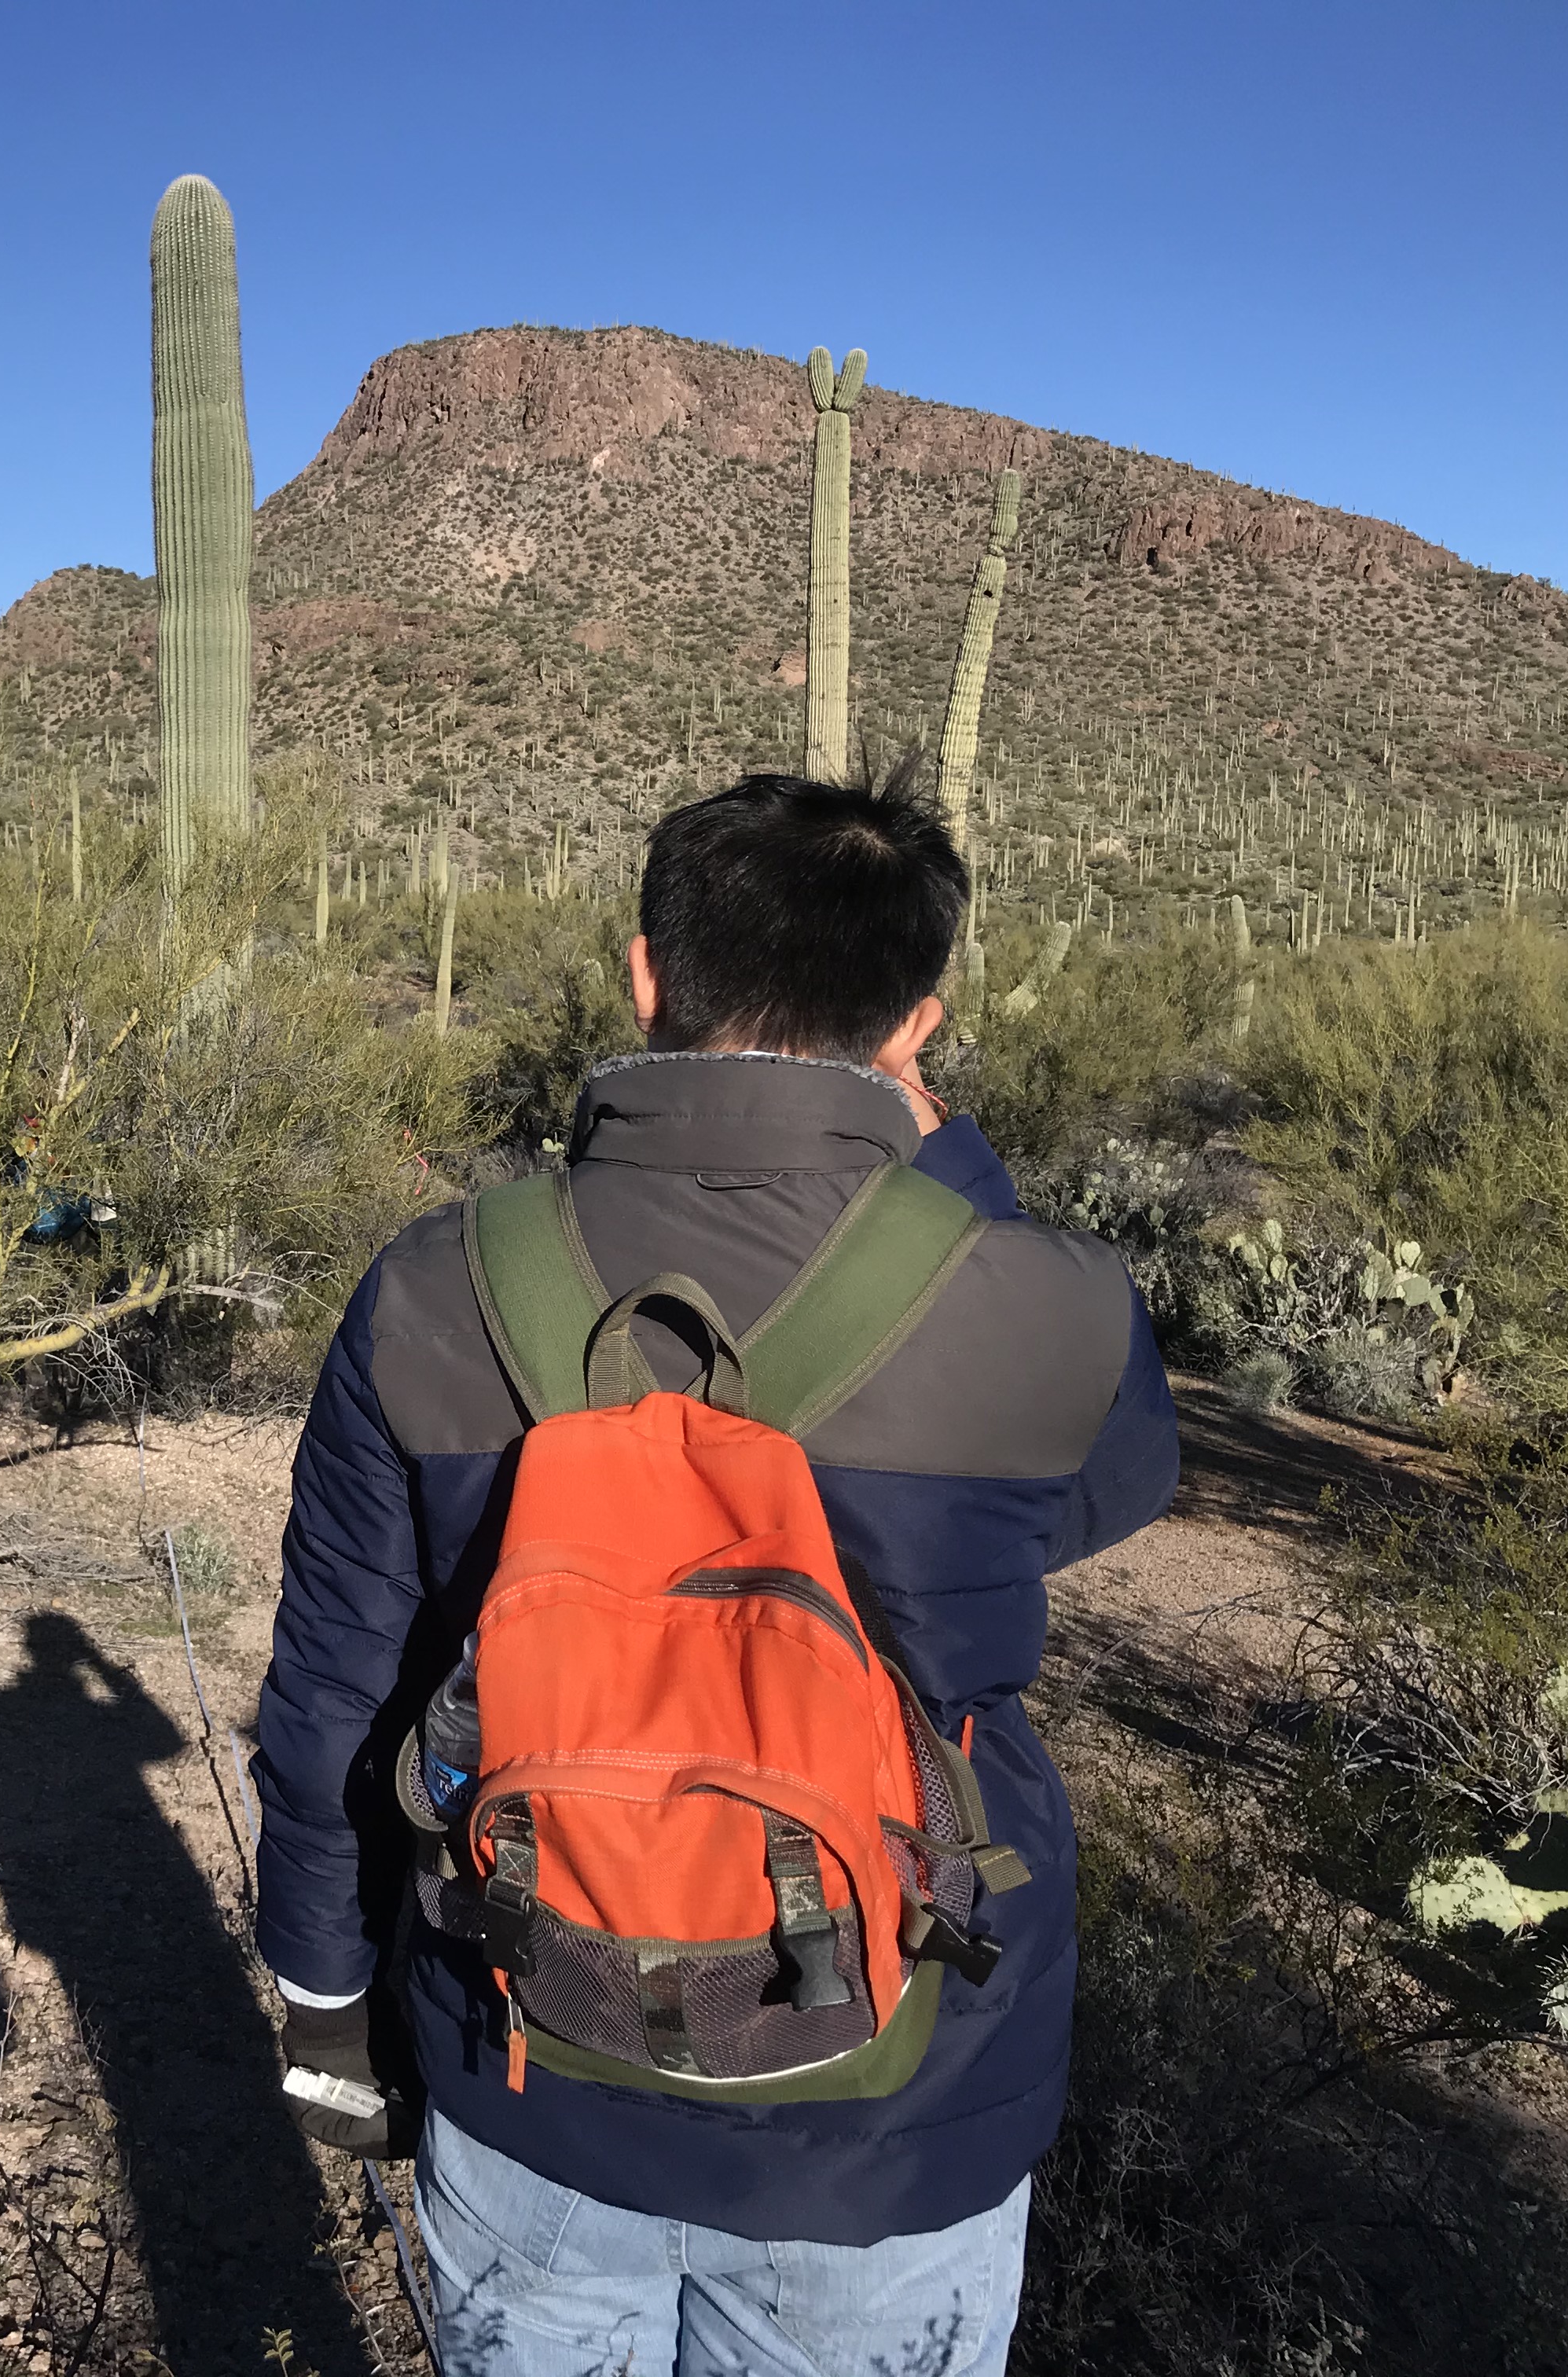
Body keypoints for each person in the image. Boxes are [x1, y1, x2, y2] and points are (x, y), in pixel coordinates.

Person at [252, 773, 1181, 2377]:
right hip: (895, 2112)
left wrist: (327, 2006)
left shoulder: (430, 1289)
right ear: (920, 1023)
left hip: (524, 2038)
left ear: (641, 978)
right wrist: (948, 1180)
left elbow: (338, 1692)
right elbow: (1102, 1500)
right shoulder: (1052, 1310)